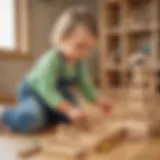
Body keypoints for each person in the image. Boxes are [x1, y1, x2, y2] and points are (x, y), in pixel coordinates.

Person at [0, 6, 112, 133]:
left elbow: (86, 86)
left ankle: (46, 114)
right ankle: (4, 114)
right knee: (31, 120)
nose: (84, 54)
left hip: (57, 95)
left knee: (76, 116)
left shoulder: (79, 62)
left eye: (89, 48)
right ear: (61, 38)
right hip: (34, 93)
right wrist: (69, 109)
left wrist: (99, 101)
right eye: (80, 46)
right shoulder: (51, 60)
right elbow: (47, 90)